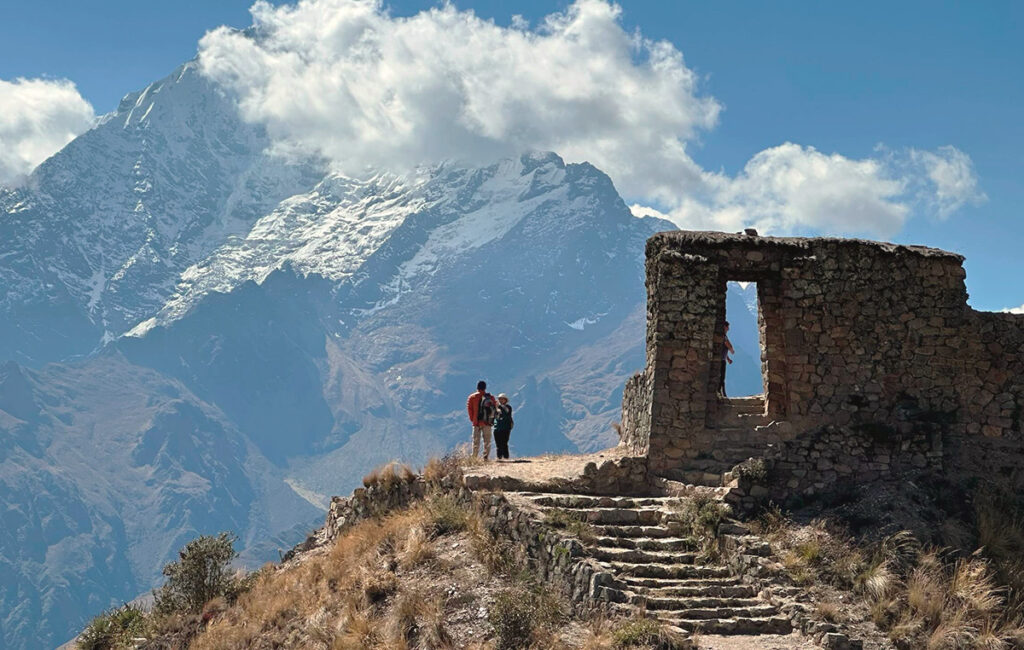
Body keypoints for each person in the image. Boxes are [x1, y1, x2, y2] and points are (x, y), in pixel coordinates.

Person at [466, 380, 496, 460]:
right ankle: (485, 458)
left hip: (477, 423)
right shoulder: (490, 397)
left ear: (477, 387)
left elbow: (469, 409)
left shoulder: (472, 397)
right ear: (485, 388)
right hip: (487, 423)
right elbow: (495, 408)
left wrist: (473, 419)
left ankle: (474, 458)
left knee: (476, 441)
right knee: (487, 441)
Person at [493, 393, 514, 460]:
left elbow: (506, 416)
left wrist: (499, 408)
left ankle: (505, 457)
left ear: (505, 400)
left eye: (502, 399)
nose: (501, 400)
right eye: (500, 399)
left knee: (504, 443)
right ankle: (499, 457)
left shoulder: (508, 408)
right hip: (497, 427)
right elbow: (494, 416)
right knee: (498, 444)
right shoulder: (496, 408)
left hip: (505, 428)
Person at [720, 321, 735, 397]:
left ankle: (722, 393)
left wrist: (728, 358)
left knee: (721, 377)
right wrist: (731, 350)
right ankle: (722, 393)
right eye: (727, 327)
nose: (728, 329)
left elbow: (722, 349)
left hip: (723, 359)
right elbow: (727, 344)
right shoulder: (724, 336)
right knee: (721, 377)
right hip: (721, 361)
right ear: (724, 327)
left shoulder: (722, 336)